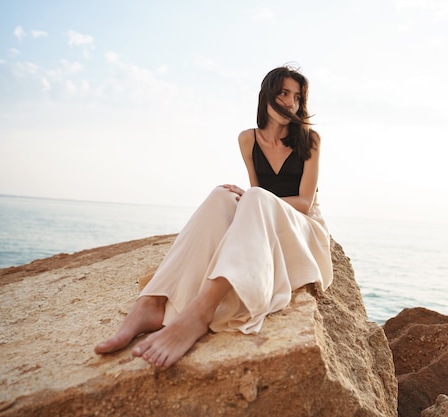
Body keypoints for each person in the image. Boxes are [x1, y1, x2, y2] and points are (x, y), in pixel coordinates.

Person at [94, 66, 333, 370]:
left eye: (298, 97)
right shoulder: (248, 139)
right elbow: (256, 189)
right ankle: (152, 301)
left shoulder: (309, 140)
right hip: (264, 219)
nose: (291, 103)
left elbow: (302, 202)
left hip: (302, 229)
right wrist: (245, 197)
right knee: (221, 195)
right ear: (267, 95)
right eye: (284, 93)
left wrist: (251, 197)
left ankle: (200, 312)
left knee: (255, 197)